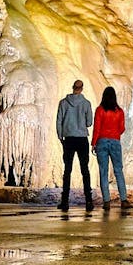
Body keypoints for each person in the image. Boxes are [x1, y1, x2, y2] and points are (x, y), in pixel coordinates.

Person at [55, 79, 93, 210]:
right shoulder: (86, 103)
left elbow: (59, 120)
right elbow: (89, 123)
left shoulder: (63, 103)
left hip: (69, 139)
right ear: (82, 89)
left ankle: (65, 201)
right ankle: (89, 201)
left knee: (67, 170)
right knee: (85, 170)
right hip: (82, 138)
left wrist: (60, 136)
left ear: (72, 87)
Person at [93, 86, 130, 208]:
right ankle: (124, 200)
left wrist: (94, 143)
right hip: (115, 141)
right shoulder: (119, 111)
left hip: (102, 141)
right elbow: (122, 128)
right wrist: (114, 134)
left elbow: (97, 128)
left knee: (103, 172)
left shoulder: (100, 110)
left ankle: (107, 202)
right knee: (118, 170)